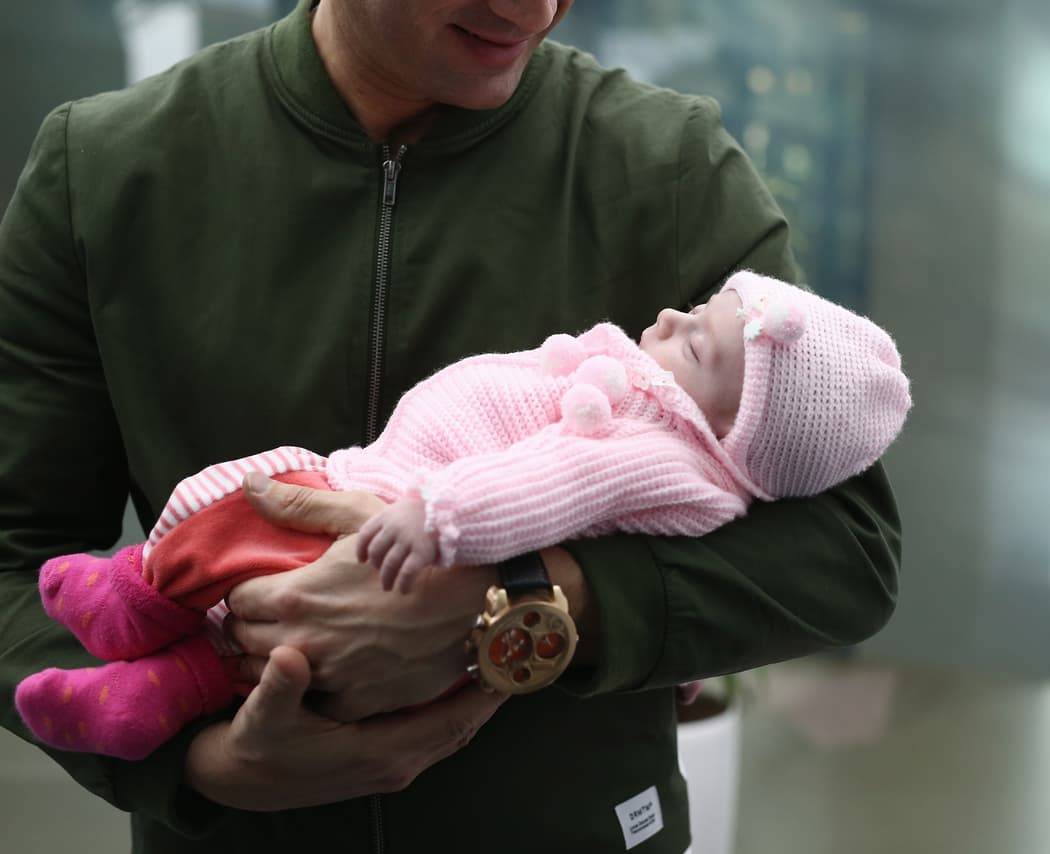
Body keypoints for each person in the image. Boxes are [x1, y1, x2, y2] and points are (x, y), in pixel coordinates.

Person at [0, 0, 905, 850]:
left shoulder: (664, 166)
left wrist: (522, 604)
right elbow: (13, 551)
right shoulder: (106, 170)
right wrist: (203, 767)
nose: (535, 9)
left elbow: (844, 548)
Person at [15, 271, 911, 761]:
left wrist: (443, 521)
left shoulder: (656, 444)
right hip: (393, 508)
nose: (671, 314)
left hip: (397, 508)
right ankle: (151, 699)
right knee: (258, 656)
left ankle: (143, 589)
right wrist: (207, 777)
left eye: (698, 337)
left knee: (244, 506)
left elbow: (551, 479)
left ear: (735, 429)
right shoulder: (673, 408)